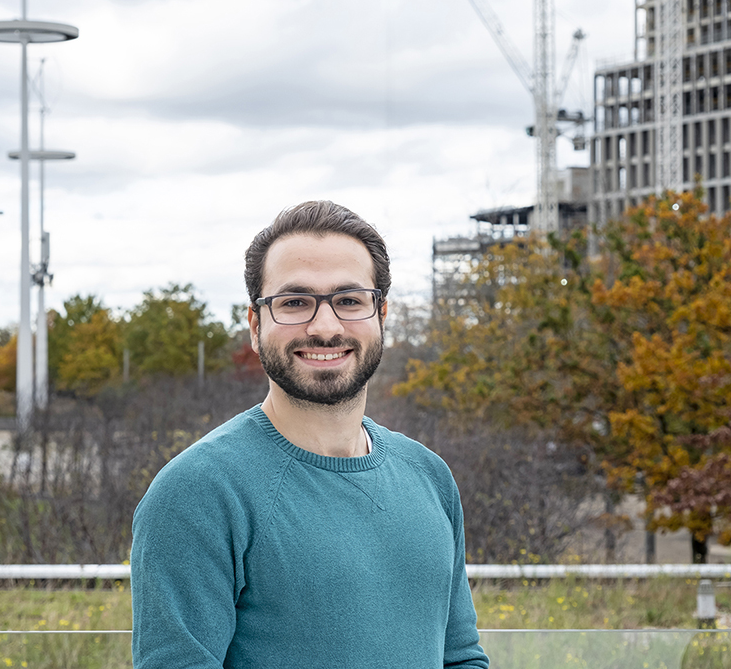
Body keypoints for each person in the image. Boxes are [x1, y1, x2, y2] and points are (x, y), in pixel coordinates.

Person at [131, 200, 489, 668]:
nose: (325, 327)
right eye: (295, 302)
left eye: (349, 300)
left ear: (381, 316)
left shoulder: (429, 476)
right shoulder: (197, 493)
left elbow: (460, 658)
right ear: (256, 325)